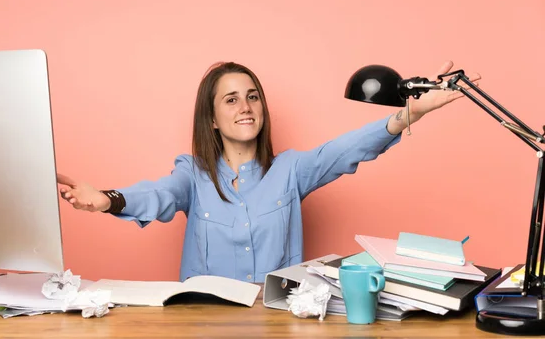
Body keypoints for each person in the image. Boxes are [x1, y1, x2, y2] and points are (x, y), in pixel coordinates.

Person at [57, 61, 480, 283]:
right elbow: (158, 194)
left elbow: (345, 149)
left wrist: (408, 114)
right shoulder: (193, 174)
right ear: (212, 119)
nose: (245, 107)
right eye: (231, 100)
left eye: (253, 97)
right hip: (205, 324)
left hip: (278, 323)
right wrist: (107, 200)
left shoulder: (292, 170)